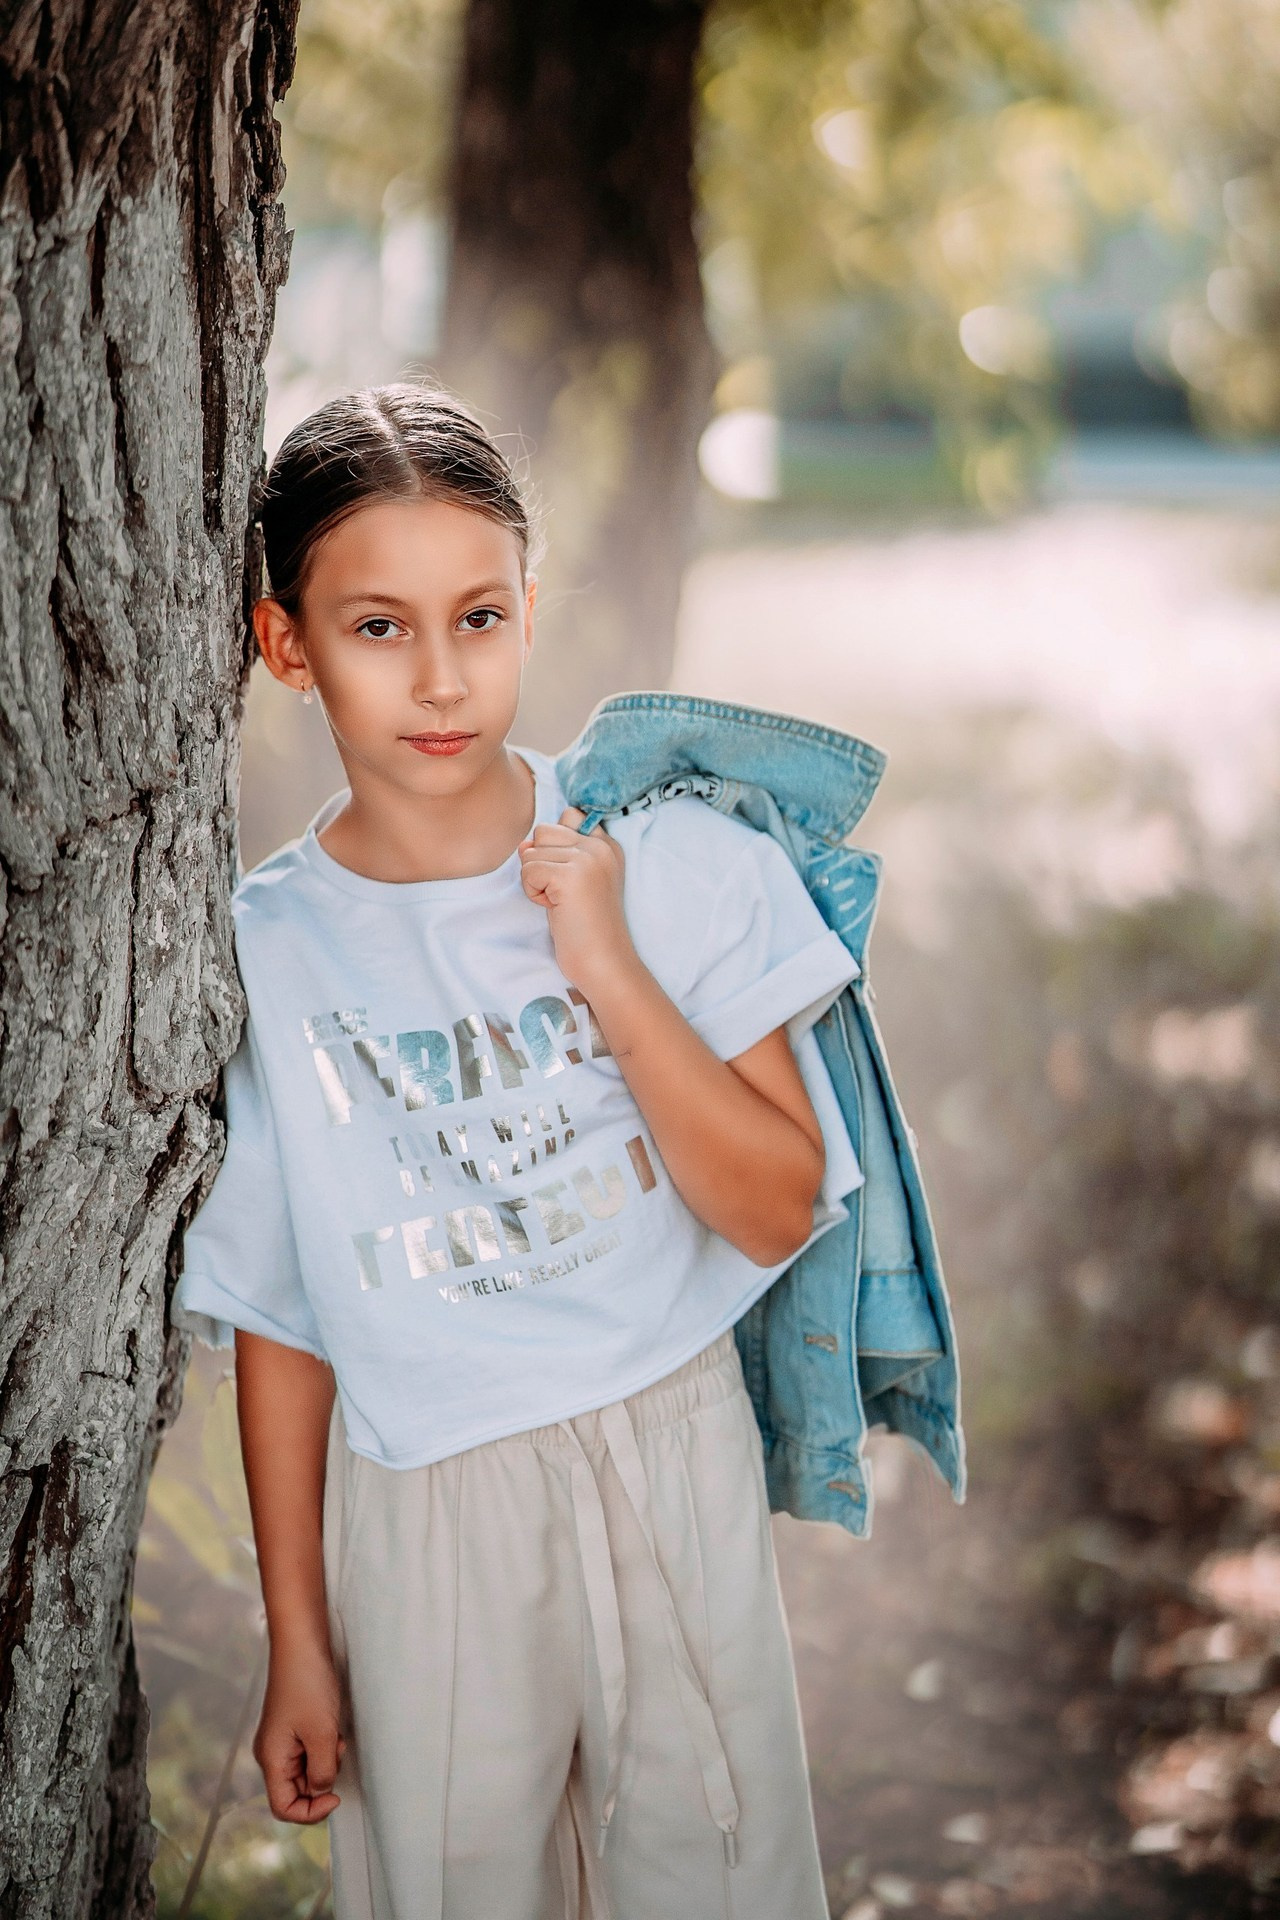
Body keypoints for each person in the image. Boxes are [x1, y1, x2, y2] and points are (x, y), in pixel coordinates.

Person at [173, 381, 866, 1920]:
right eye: (376, 628)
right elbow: (285, 1316)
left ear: (531, 612)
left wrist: (606, 965)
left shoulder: (674, 859)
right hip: (424, 1511)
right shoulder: (256, 955)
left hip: (665, 1451)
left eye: (479, 616)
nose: (440, 678)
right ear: (286, 645)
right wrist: (301, 1633)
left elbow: (774, 1204)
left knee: (720, 1882)